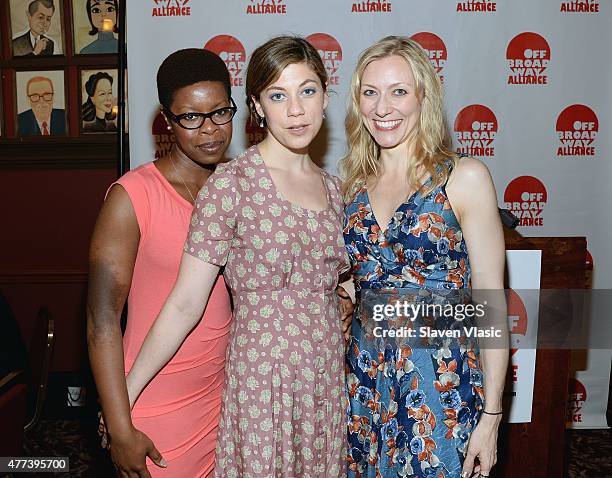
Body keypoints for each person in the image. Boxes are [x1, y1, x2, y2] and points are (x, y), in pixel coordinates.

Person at [125, 36, 352, 477]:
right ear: (257, 106)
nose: (296, 110)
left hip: (324, 384)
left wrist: (348, 296)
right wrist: (124, 395)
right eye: (278, 95)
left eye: (307, 91)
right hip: (261, 387)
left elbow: (339, 282)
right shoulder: (232, 185)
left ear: (325, 97)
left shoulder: (335, 190)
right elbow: (184, 303)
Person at [341, 36, 508, 478]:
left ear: (423, 98)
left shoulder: (464, 178)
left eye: (399, 91)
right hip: (365, 383)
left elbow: (492, 302)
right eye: (370, 92)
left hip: (441, 384)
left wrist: (492, 418)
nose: (383, 107)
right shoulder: (350, 187)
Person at [87, 48, 236, 478]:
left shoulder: (239, 188)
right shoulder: (133, 197)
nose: (209, 130)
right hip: (153, 400)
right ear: (167, 122)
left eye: (220, 112)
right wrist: (119, 425)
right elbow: (101, 320)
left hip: (226, 400)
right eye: (190, 117)